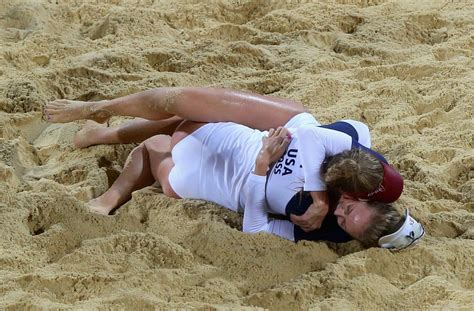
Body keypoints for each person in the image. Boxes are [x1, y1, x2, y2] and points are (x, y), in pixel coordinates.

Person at [43, 87, 425, 249]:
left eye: (344, 222)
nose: (340, 214)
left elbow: (256, 230)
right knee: (183, 103)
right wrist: (322, 194)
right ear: (367, 199)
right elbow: (340, 132)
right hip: (282, 128)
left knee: (168, 154)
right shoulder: (372, 177)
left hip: (237, 172)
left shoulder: (321, 228)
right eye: (350, 209)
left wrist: (261, 169)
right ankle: (100, 110)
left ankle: (110, 181)